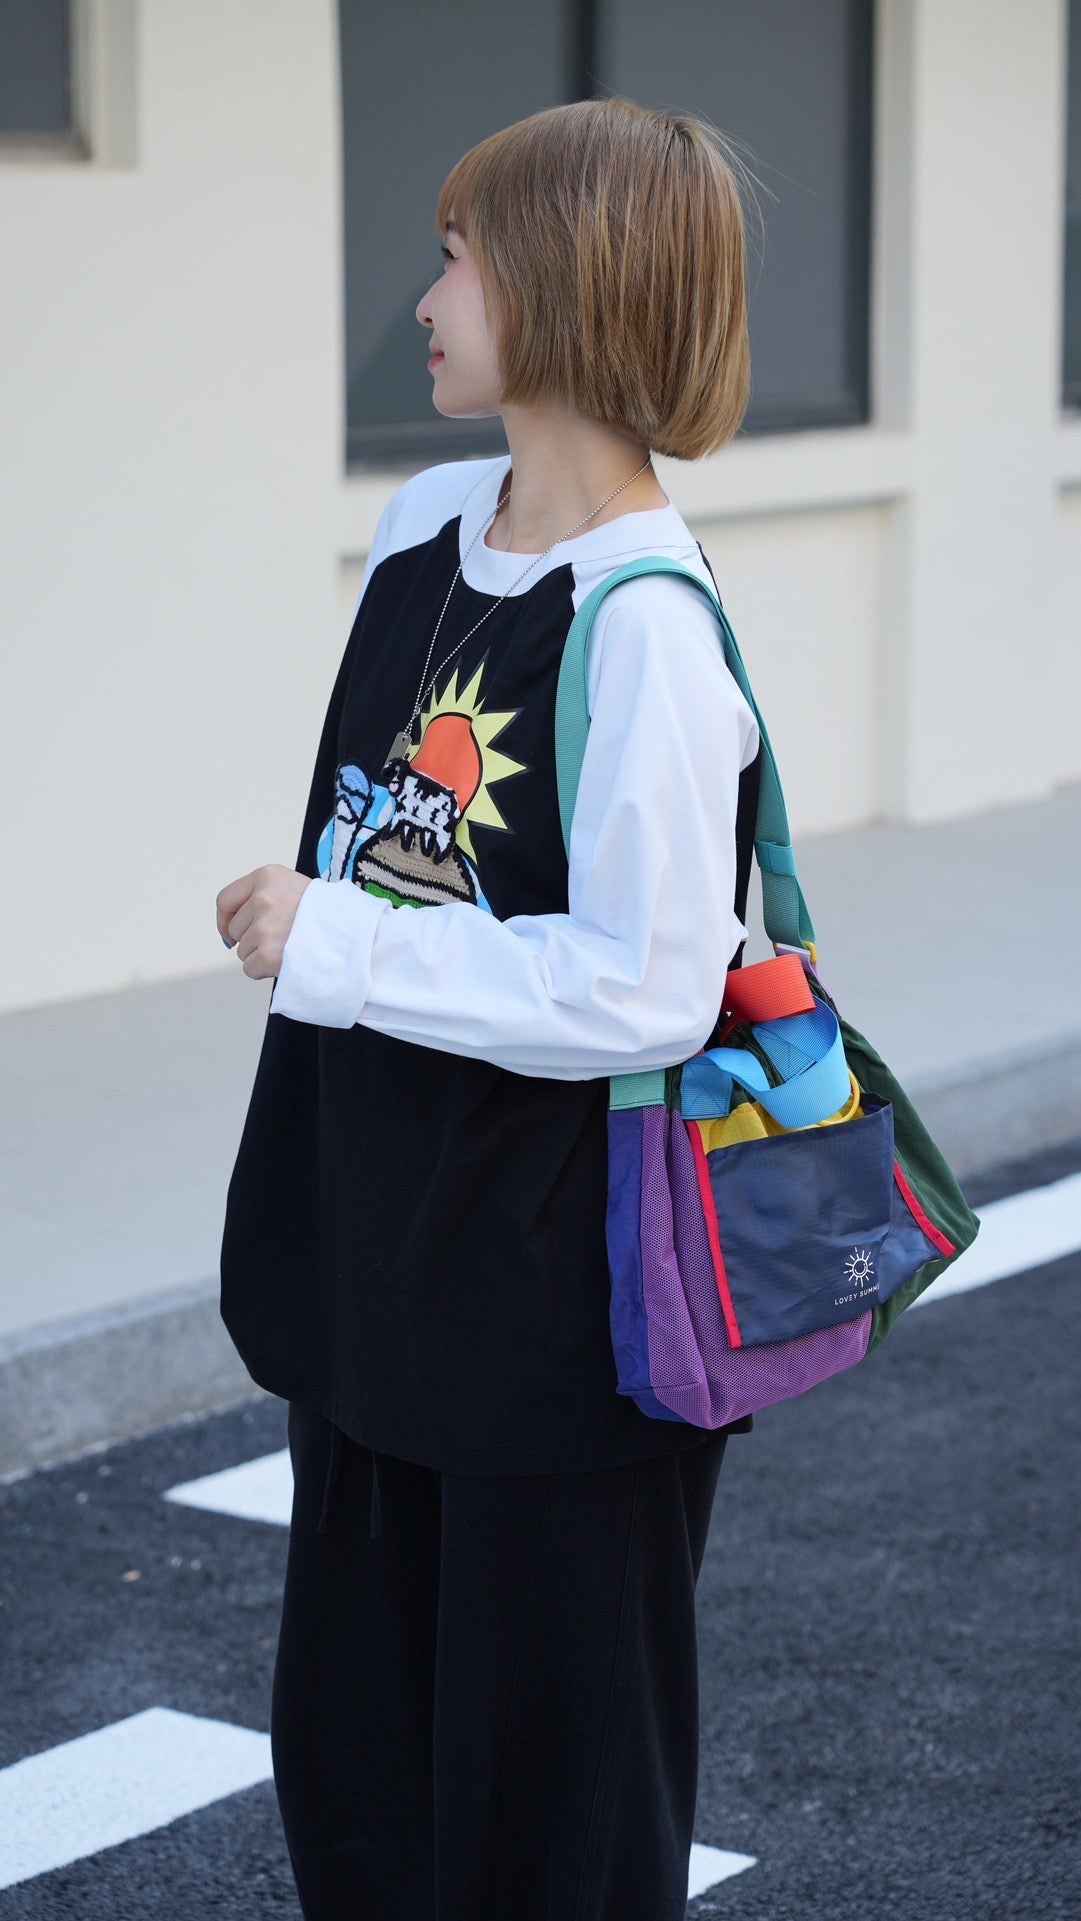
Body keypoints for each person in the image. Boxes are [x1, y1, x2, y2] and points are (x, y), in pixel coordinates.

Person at [216, 95, 764, 1921]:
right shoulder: (432, 522)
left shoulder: (649, 632)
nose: (430, 287)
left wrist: (340, 945)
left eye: (460, 251)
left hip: (555, 1323)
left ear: (561, 285)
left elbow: (646, 986)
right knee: (364, 1771)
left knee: (545, 1817)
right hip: (389, 1265)